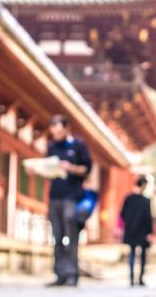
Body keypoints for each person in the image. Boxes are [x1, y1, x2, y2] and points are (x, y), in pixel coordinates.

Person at [44, 115, 92, 287]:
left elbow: (87, 170)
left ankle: (72, 274)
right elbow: (48, 169)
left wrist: (71, 168)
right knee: (56, 237)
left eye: (59, 131)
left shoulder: (78, 146)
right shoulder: (51, 147)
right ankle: (60, 274)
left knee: (71, 236)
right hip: (55, 196)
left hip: (71, 197)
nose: (56, 134)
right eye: (53, 132)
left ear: (66, 128)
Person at [121, 176, 154, 287]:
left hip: (131, 230)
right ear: (144, 185)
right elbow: (148, 218)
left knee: (132, 254)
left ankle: (131, 279)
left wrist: (129, 224)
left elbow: (123, 213)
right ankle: (139, 279)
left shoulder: (128, 198)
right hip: (142, 232)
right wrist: (149, 232)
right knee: (143, 255)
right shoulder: (145, 201)